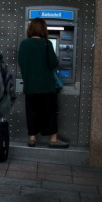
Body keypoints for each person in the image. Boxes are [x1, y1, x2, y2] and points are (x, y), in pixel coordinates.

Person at [18, 18, 69, 148]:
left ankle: (32, 138)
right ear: (43, 30)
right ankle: (53, 139)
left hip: (30, 87)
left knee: (32, 112)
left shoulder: (24, 44)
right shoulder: (47, 44)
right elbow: (53, 63)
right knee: (49, 112)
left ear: (30, 29)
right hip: (47, 86)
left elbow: (22, 64)